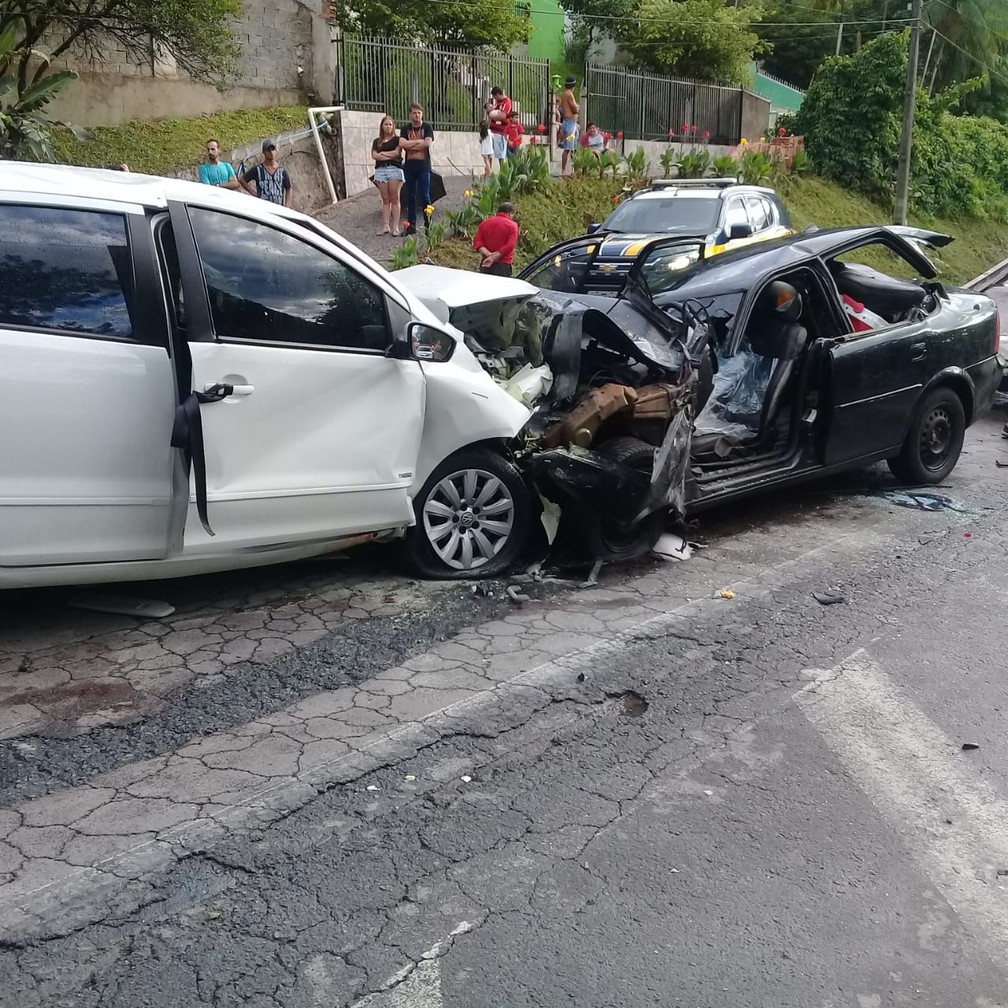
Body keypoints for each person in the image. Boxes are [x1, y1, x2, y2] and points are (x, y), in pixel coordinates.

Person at [399, 103, 434, 236]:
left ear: (422, 114)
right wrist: (418, 143)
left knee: (425, 195)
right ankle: (411, 225)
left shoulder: (427, 126)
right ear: (410, 114)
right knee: (410, 196)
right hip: (409, 167)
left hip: (424, 167)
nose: (417, 115)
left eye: (419, 113)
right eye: (414, 113)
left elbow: (427, 143)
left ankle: (428, 223)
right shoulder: (405, 129)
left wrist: (410, 145)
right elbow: (402, 144)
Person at [371, 114, 405, 236]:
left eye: (390, 124)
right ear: (382, 126)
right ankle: (385, 225)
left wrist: (383, 154)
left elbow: (397, 153)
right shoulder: (377, 141)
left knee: (395, 198)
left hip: (394, 169)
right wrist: (386, 154)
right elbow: (374, 155)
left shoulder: (397, 139)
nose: (388, 126)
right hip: (380, 170)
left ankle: (395, 226)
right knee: (385, 199)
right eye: (386, 124)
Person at [241, 139, 292, 207]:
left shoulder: (282, 171)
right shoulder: (258, 169)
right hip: (263, 207)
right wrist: (254, 193)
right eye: (268, 150)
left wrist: (287, 205)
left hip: (279, 208)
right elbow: (242, 180)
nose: (271, 152)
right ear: (263, 152)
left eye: (273, 149)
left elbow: (288, 188)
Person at [473, 202, 519, 277]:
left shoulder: (485, 223)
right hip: (503, 265)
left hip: (485, 262)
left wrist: (489, 255)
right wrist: (495, 256)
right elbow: (510, 245)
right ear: (510, 213)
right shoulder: (512, 226)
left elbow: (477, 242)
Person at [559, 76, 580, 175]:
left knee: (574, 148)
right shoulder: (569, 94)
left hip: (572, 124)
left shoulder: (565, 94)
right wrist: (577, 107)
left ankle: (575, 170)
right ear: (573, 86)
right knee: (568, 148)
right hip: (569, 124)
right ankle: (564, 170)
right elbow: (575, 109)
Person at [487, 85, 513, 164]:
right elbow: (490, 112)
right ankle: (489, 171)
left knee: (500, 153)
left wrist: (493, 117)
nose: (494, 99)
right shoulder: (497, 103)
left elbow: (503, 116)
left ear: (498, 94)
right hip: (493, 130)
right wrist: (489, 112)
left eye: (494, 97)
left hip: (501, 131)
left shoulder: (507, 102)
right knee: (489, 152)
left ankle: (503, 171)